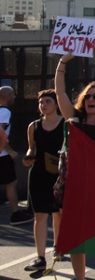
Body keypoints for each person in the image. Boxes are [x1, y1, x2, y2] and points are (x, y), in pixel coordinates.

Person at [55, 53, 95, 280]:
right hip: (71, 187)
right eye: (88, 96)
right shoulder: (74, 119)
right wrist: (62, 63)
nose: (91, 99)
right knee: (75, 238)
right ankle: (80, 278)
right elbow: (60, 93)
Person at [23, 89, 65, 271]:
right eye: (41, 102)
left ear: (56, 104)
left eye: (47, 101)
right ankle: (40, 257)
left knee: (58, 213)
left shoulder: (66, 125)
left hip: (59, 174)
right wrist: (27, 158)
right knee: (39, 215)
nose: (43, 105)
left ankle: (58, 246)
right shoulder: (33, 126)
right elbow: (31, 149)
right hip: (38, 173)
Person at [0, 85, 32, 226]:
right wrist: (9, 149)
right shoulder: (5, 111)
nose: (14, 97)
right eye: (12, 94)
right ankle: (15, 214)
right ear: (6, 96)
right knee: (11, 183)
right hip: (2, 155)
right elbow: (0, 132)